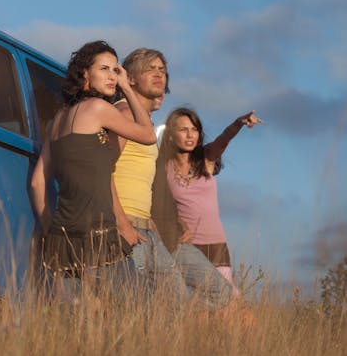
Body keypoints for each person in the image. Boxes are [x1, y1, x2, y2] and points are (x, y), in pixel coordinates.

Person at [27, 40, 155, 299]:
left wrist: (49, 227)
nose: (112, 76)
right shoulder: (98, 109)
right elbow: (148, 134)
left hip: (64, 239)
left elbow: (37, 182)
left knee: (81, 322)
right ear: (85, 73)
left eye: (115, 71)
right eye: (105, 69)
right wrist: (127, 89)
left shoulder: (56, 121)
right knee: (138, 315)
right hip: (99, 235)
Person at [113, 48, 232, 308]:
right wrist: (123, 222)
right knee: (158, 306)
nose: (159, 74)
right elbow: (102, 171)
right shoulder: (122, 115)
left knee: (193, 300)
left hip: (149, 229)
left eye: (162, 70)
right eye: (150, 68)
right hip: (128, 227)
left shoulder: (143, 122)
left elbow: (149, 182)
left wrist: (163, 219)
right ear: (129, 79)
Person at [156, 107, 262, 292]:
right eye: (183, 130)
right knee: (196, 306)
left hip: (216, 245)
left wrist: (239, 123)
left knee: (229, 303)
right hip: (184, 247)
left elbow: (223, 139)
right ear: (171, 135)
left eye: (194, 129)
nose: (190, 135)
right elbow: (158, 204)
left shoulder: (206, 159)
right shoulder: (164, 168)